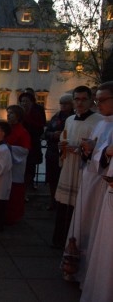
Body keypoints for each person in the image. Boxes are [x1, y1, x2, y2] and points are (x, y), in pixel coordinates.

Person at [66, 81, 113, 288]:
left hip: (102, 187)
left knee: (95, 230)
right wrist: (88, 149)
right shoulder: (102, 123)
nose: (98, 104)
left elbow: (106, 157)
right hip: (89, 180)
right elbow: (97, 152)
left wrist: (96, 151)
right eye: (97, 100)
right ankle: (76, 268)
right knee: (82, 225)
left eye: (102, 100)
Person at [52, 86, 102, 249]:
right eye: (77, 99)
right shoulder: (69, 119)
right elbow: (64, 137)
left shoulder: (98, 121)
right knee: (63, 205)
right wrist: (62, 146)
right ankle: (59, 240)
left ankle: (76, 242)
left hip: (84, 169)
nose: (79, 103)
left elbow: (100, 147)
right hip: (68, 168)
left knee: (79, 206)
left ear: (90, 100)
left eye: (83, 99)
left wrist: (80, 150)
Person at [44, 94, 74, 211]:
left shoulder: (74, 118)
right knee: (52, 179)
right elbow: (46, 133)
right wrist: (53, 134)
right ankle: (53, 201)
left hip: (66, 153)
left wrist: (61, 135)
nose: (63, 106)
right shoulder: (56, 117)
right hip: (53, 152)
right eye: (61, 103)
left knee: (65, 179)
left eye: (65, 103)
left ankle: (64, 202)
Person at [5, 105, 31, 224]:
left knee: (14, 192)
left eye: (11, 113)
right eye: (8, 113)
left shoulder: (23, 131)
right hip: (5, 166)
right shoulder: (7, 129)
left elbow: (25, 150)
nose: (8, 115)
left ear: (18, 116)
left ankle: (13, 215)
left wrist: (9, 148)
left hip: (16, 166)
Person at [18, 91, 46, 191]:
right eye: (22, 101)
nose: (24, 103)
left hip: (33, 144)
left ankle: (26, 189)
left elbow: (40, 128)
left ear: (32, 102)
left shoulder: (37, 112)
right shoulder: (19, 112)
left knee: (30, 169)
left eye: (26, 101)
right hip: (21, 145)